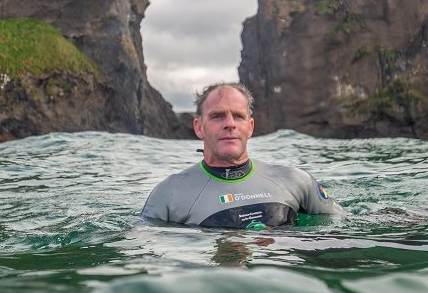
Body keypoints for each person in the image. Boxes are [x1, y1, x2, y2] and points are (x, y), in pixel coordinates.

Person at [141, 82, 345, 229]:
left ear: (250, 127)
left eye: (238, 116)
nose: (230, 124)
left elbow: (343, 229)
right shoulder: (168, 195)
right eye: (217, 116)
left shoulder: (296, 181)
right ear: (199, 127)